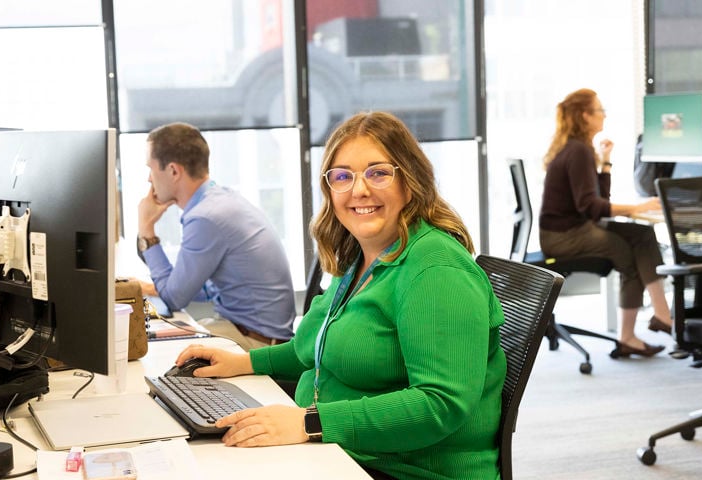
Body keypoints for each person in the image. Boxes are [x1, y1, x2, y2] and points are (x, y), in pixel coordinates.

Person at [172, 111, 507, 479]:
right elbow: (317, 346)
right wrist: (244, 363)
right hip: (341, 453)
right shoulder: (366, 255)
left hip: (403, 470)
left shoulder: (435, 269)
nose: (359, 190)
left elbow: (440, 404)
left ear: (410, 182)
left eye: (378, 173)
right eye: (343, 176)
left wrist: (308, 423)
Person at [539, 88, 674, 357]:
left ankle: (661, 313)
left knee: (642, 235)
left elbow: (598, 200)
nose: (604, 116)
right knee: (627, 253)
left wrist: (606, 164)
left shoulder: (579, 148)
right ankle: (630, 335)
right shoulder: (578, 151)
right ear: (584, 116)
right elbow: (591, 208)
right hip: (565, 235)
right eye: (600, 111)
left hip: (571, 228)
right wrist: (638, 206)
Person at [137, 122, 295, 349]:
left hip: (256, 342)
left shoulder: (205, 217)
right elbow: (209, 288)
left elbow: (174, 299)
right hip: (247, 329)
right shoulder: (218, 200)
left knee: (160, 347)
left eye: (150, 169)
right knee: (165, 337)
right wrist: (156, 287)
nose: (149, 179)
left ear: (173, 171)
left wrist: (146, 230)